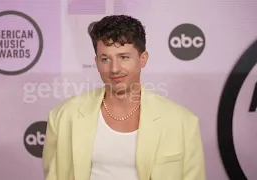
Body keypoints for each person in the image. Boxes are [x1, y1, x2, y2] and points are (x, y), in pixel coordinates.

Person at [42, 15, 206, 180]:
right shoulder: (63, 116)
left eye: (124, 57)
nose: (114, 69)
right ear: (97, 62)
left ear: (143, 59)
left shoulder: (183, 121)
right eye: (105, 59)